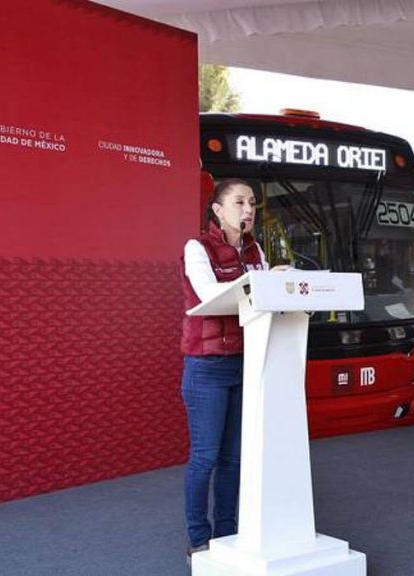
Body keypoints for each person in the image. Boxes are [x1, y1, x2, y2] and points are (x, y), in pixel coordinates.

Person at [179, 178, 283, 558]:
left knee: (234, 457)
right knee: (206, 456)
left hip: (247, 362)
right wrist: (261, 282)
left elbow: (267, 301)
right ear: (218, 210)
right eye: (239, 202)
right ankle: (198, 537)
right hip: (206, 367)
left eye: (252, 202)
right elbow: (210, 297)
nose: (248, 209)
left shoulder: (255, 251)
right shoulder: (197, 247)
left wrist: (281, 283)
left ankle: (227, 531)